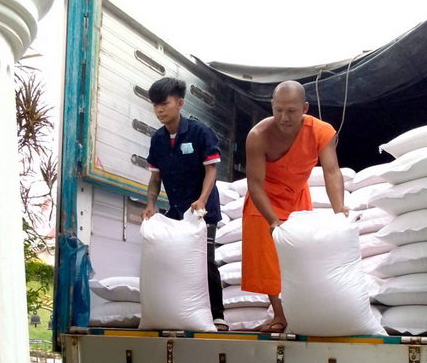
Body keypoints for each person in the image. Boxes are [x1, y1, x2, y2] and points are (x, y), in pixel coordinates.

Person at [241, 80, 348, 333]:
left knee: (301, 258)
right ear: (272, 105)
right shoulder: (258, 135)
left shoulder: (321, 131)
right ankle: (280, 316)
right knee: (268, 260)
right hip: (263, 201)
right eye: (278, 110)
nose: (284, 118)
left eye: (291, 111)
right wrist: (272, 220)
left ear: (305, 108)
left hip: (297, 196)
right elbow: (254, 184)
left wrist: (339, 210)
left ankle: (302, 312)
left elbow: (331, 172)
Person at [141, 77, 228, 330]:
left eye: (164, 104)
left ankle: (217, 314)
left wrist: (201, 200)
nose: (159, 110)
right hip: (177, 211)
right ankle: (178, 311)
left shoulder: (200, 132)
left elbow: (211, 170)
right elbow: (155, 178)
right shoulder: (158, 140)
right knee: (174, 260)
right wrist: (150, 203)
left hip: (203, 211)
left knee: (205, 260)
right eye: (155, 105)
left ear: (179, 103)